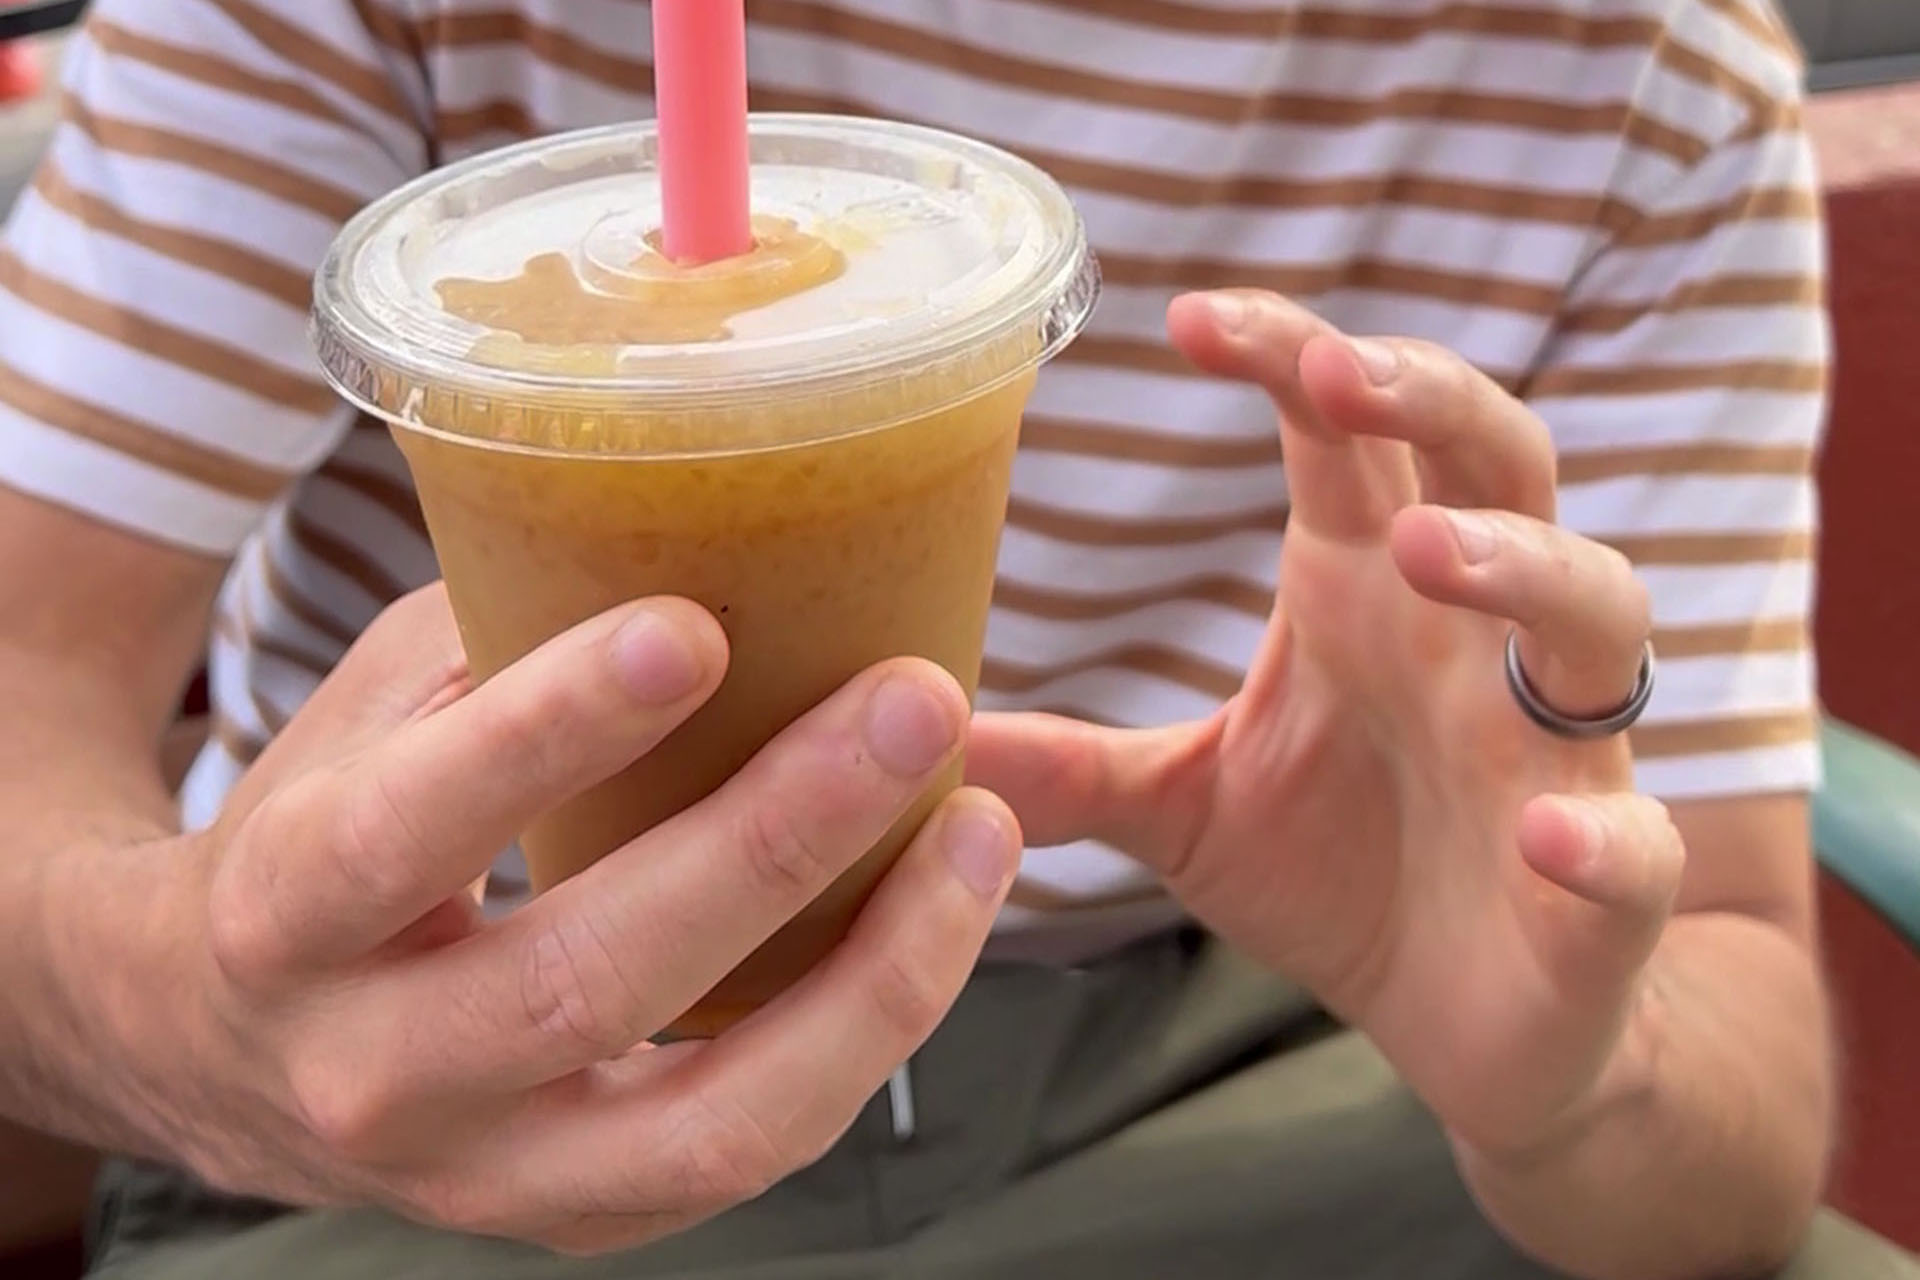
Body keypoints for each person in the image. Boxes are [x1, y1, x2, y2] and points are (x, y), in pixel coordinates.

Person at [0, 1, 1909, 1277]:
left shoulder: (1645, 70)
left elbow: (1743, 1117)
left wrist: (1578, 1072)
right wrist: (196, 1019)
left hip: (1233, 1060)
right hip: (403, 1145)